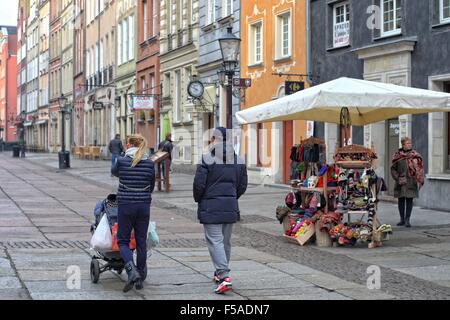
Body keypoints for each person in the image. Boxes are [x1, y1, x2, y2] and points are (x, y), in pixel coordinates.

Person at [193, 127, 248, 294]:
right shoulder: (238, 160)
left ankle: (224, 277)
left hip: (211, 206)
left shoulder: (207, 158)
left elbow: (199, 185)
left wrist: (200, 199)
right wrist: (232, 197)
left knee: (215, 241)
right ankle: (219, 273)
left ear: (214, 139)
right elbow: (242, 185)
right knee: (225, 242)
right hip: (230, 205)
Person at [111, 134, 155, 292]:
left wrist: (123, 157)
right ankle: (140, 276)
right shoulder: (149, 163)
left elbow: (114, 172)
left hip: (126, 205)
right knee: (141, 241)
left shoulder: (122, 161)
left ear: (129, 145)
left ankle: (132, 271)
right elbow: (151, 186)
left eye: (125, 144)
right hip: (143, 206)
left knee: (122, 240)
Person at [391, 137, 424, 228]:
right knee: (401, 200)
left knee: (409, 200)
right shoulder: (397, 155)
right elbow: (393, 169)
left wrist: (418, 176)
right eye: (408, 143)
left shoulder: (414, 155)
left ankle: (407, 220)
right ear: (403, 145)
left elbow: (420, 166)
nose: (410, 144)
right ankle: (402, 219)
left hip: (411, 181)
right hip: (400, 181)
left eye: (410, 143)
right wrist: (397, 178)